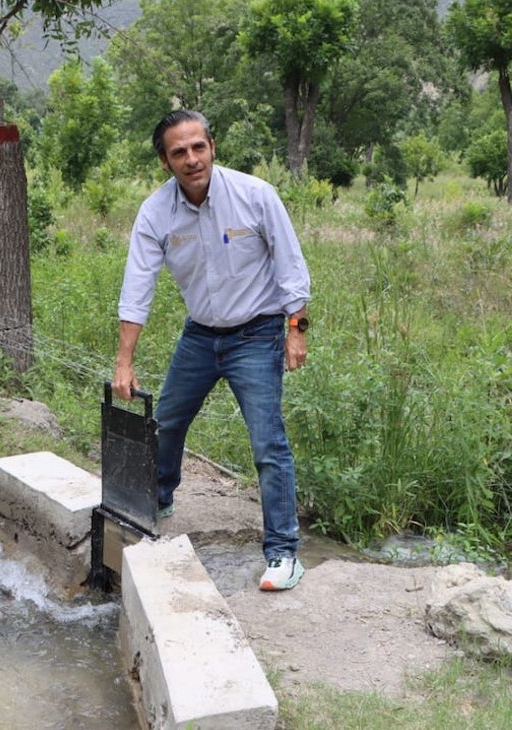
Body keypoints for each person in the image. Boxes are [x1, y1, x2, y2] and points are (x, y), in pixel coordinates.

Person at [112, 110, 311, 592]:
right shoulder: (156, 213)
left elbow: (291, 268)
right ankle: (157, 500)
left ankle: (283, 553)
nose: (191, 158)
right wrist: (124, 361)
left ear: (212, 146)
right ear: (165, 161)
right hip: (200, 335)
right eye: (178, 152)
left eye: (198, 147)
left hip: (257, 334)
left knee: (268, 442)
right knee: (168, 421)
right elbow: (138, 286)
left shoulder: (255, 195)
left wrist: (297, 329)